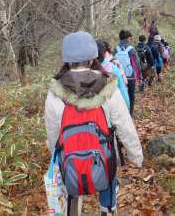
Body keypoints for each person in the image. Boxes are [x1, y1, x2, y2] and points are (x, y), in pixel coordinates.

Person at [44, 32, 143, 216]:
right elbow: (124, 125)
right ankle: (107, 210)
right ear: (92, 59)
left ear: (67, 60)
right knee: (108, 184)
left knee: (70, 194)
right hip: (105, 157)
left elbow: (53, 131)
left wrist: (55, 156)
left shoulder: (56, 91)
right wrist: (136, 156)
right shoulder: (107, 84)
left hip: (70, 157)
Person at [114, 30, 141, 116]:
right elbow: (136, 64)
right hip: (130, 77)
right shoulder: (131, 49)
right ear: (128, 38)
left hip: (118, 76)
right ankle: (130, 113)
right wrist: (138, 77)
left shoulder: (115, 49)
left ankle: (120, 112)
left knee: (119, 95)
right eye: (130, 38)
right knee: (131, 94)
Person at [97, 39, 130, 109]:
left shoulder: (89, 69)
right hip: (114, 105)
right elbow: (122, 87)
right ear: (105, 52)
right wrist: (127, 105)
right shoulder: (113, 66)